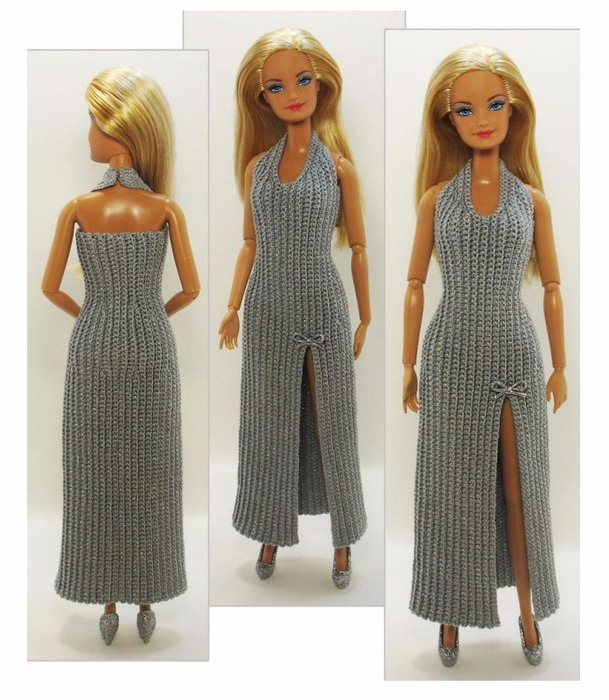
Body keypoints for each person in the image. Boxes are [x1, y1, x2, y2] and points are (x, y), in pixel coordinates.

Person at [402, 45, 567, 666]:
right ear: (447, 119)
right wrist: (408, 364)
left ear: (514, 108)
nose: (482, 119)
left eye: (494, 104)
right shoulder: (436, 199)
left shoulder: (532, 200)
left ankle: (528, 612)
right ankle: (449, 619)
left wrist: (561, 365)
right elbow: (415, 283)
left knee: (521, 489)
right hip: (449, 354)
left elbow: (552, 286)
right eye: (465, 109)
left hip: (517, 355)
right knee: (452, 489)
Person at [42, 66, 200, 645]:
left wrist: (94, 315)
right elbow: (190, 290)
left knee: (95, 473)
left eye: (94, 120)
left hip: (93, 346)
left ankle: (107, 599)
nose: (88, 132)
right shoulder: (165, 208)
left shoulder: (78, 208)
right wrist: (149, 314)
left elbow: (51, 288)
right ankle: (146, 596)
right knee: (153, 471)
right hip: (152, 345)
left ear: (120, 126)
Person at [218, 28, 370, 588]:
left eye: (303, 80)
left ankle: (343, 539)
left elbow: (358, 247)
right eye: (277, 86)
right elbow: (249, 243)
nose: (293, 94)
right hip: (266, 308)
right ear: (262, 97)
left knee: (333, 422)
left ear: (321, 84)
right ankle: (270, 531)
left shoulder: (339, 168)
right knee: (270, 422)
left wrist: (366, 316)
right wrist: (232, 305)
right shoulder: (258, 166)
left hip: (324, 306)